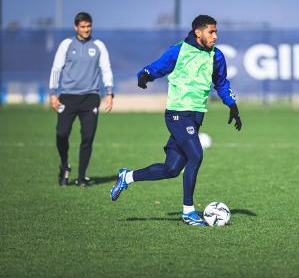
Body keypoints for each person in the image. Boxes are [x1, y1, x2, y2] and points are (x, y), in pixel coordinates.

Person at [110, 15, 242, 226]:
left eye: (216, 32)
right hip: (177, 114)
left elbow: (222, 84)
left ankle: (127, 177)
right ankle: (188, 211)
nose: (215, 36)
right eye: (211, 32)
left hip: (196, 116)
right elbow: (158, 67)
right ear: (198, 32)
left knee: (171, 169)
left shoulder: (216, 56)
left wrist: (232, 106)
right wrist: (144, 75)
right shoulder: (179, 50)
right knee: (196, 155)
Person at [49, 12, 114, 187]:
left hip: (90, 97)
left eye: (89, 26)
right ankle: (64, 165)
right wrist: (53, 93)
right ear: (76, 27)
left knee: (88, 136)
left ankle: (82, 176)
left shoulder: (99, 45)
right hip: (67, 97)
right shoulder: (66, 44)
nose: (86, 30)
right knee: (61, 134)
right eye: (83, 27)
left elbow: (106, 69)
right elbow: (56, 68)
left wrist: (109, 93)